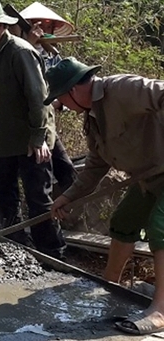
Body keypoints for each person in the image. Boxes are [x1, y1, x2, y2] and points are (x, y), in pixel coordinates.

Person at [47, 58, 164, 335]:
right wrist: (68, 198)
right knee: (124, 221)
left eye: (61, 99)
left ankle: (160, 309)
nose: (62, 107)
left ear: (73, 91)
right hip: (150, 177)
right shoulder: (93, 117)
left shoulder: (121, 89)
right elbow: (96, 166)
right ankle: (110, 283)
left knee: (160, 226)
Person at [0, 0, 66, 259]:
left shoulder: (21, 53)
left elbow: (38, 98)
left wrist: (39, 137)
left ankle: (53, 253)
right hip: (6, 135)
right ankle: (15, 242)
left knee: (38, 197)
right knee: (1, 191)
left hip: (33, 135)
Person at [18, 2, 78, 197]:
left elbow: (65, 88)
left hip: (48, 123)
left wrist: (58, 101)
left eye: (48, 26)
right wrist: (29, 44)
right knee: (37, 177)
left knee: (66, 171)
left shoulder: (54, 55)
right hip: (26, 125)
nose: (43, 29)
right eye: (38, 24)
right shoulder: (18, 53)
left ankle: (67, 213)